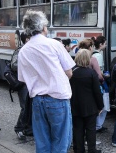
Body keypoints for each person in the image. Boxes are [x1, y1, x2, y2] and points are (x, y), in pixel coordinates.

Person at [18, 10, 75, 153]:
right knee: (61, 141)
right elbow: (69, 72)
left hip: (37, 100)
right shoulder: (54, 44)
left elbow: (23, 79)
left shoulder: (24, 50)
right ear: (43, 27)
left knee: (42, 143)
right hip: (57, 99)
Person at [70, 49, 103, 153]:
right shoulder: (91, 73)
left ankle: (78, 150)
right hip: (90, 106)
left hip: (75, 105)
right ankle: (92, 150)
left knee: (77, 129)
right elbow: (97, 92)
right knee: (90, 129)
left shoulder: (71, 73)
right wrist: (100, 106)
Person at [12, 32, 32, 140]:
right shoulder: (20, 50)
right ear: (27, 39)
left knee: (31, 107)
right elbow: (14, 65)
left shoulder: (32, 50)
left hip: (32, 83)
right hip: (23, 83)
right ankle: (18, 128)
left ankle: (28, 128)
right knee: (25, 107)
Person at [91, 36, 109, 133]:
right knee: (103, 104)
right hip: (99, 82)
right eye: (105, 43)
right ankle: (98, 125)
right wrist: (105, 77)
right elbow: (99, 72)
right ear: (101, 44)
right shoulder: (99, 56)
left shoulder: (93, 54)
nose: (106, 45)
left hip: (94, 82)